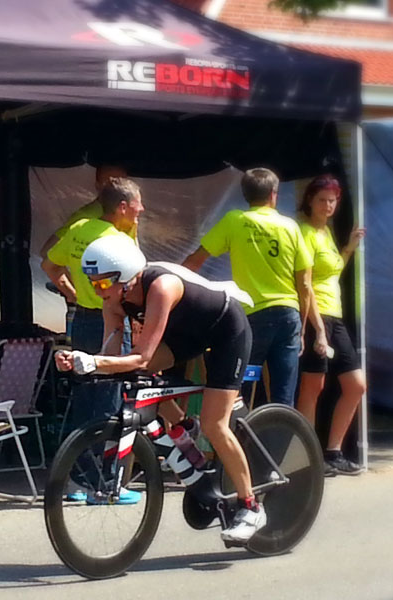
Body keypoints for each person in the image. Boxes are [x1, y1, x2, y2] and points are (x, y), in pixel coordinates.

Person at [55, 234, 267, 544]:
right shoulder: (114, 301)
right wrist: (83, 361)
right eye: (90, 283)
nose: (97, 291)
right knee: (139, 376)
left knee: (214, 424)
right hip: (186, 334)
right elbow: (114, 353)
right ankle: (183, 428)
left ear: (126, 277)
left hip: (225, 331)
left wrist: (95, 362)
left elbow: (139, 356)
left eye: (101, 284)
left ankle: (251, 507)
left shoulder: (161, 287)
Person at [184, 168, 324, 407]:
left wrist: (180, 296)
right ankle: (279, 442)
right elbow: (304, 283)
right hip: (287, 315)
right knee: (283, 395)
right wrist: (300, 328)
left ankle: (239, 441)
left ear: (246, 194)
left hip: (251, 317)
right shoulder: (291, 227)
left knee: (240, 389)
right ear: (273, 195)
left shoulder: (235, 221)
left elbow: (193, 262)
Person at [41, 177, 144, 501]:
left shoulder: (78, 227)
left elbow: (49, 265)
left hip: (82, 321)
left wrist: (72, 295)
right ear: (123, 207)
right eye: (138, 203)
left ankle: (78, 481)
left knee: (85, 399)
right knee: (112, 402)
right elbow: (136, 286)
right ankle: (107, 484)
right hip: (112, 321)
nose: (143, 209)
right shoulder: (121, 239)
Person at [296, 175, 366, 476]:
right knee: (314, 387)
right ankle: (305, 457)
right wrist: (318, 330)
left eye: (332, 201)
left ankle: (333, 451)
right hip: (316, 316)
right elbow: (306, 284)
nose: (328, 205)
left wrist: (349, 249)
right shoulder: (305, 232)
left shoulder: (325, 233)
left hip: (335, 316)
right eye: (322, 199)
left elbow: (331, 273)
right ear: (310, 200)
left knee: (356, 385)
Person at [40, 164, 127, 260]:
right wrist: (68, 274)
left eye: (121, 183)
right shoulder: (86, 216)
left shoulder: (129, 211)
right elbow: (47, 251)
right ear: (97, 185)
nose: (116, 189)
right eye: (109, 184)